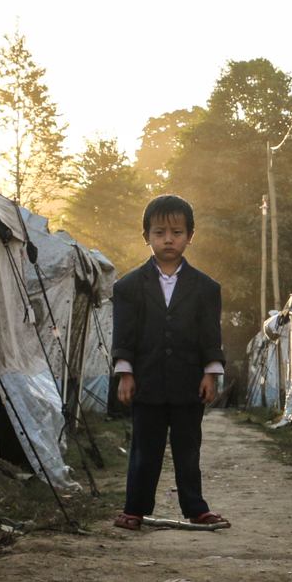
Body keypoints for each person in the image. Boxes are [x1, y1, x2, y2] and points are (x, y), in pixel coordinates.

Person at [110, 194, 229, 530]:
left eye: (176, 232)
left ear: (190, 236)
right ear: (145, 235)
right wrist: (125, 374)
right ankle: (134, 509)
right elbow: (124, 334)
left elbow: (210, 335)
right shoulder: (128, 286)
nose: (168, 240)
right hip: (145, 382)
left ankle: (196, 508)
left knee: (188, 450)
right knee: (144, 450)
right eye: (159, 232)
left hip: (188, 383)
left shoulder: (206, 287)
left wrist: (211, 374)